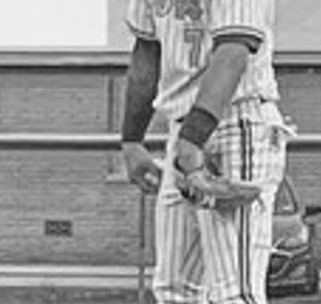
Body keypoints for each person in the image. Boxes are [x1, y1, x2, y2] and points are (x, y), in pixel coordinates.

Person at [121, 0, 294, 303]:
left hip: (238, 120)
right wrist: (132, 139)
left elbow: (233, 53)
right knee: (174, 290)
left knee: (235, 293)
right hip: (183, 127)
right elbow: (147, 50)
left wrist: (192, 139)